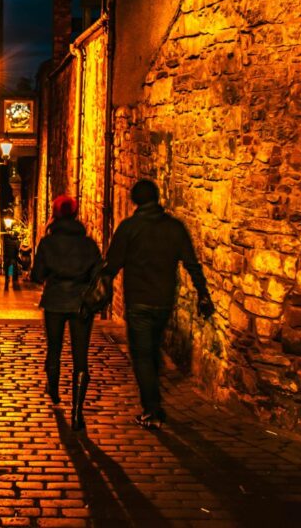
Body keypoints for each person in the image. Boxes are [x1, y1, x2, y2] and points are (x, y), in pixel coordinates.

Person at [103, 179, 214, 429]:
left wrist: (101, 286)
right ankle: (154, 400)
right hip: (163, 301)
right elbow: (191, 263)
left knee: (142, 355)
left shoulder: (129, 227)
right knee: (151, 350)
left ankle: (152, 409)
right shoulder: (174, 228)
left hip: (138, 301)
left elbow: (112, 264)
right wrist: (202, 292)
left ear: (135, 201)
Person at [30, 195, 102, 430]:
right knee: (80, 356)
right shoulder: (89, 244)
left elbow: (37, 275)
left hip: (54, 302)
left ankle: (53, 389)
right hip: (81, 304)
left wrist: (50, 275)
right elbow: (97, 275)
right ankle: (77, 412)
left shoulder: (47, 244)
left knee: (55, 348)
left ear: (56, 215)